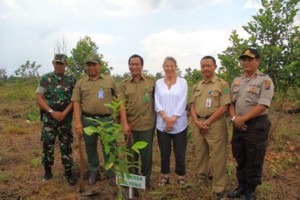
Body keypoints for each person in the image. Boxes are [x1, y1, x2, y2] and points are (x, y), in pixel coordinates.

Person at [227, 48, 274, 200]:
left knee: (254, 158)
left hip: (256, 125)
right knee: (239, 155)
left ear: (257, 61)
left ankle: (250, 190)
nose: (246, 62)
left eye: (250, 59)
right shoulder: (237, 80)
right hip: (238, 124)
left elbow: (263, 105)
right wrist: (235, 119)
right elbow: (231, 103)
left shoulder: (264, 80)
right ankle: (241, 186)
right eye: (244, 60)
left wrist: (243, 119)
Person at [71, 53, 119, 185]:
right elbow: (76, 102)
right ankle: (94, 171)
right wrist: (78, 123)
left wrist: (118, 117)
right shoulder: (80, 83)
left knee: (109, 147)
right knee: (90, 147)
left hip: (107, 120)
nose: (91, 67)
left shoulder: (109, 80)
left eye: (94, 64)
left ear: (100, 65)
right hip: (88, 120)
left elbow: (119, 98)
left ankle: (111, 173)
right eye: (88, 65)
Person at [190, 55, 230, 199]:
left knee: (218, 156)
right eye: (203, 66)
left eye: (208, 65)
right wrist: (197, 122)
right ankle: (201, 180)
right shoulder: (197, 86)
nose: (205, 68)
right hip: (199, 123)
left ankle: (219, 186)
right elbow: (192, 106)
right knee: (200, 153)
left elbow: (225, 107)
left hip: (215, 125)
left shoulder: (222, 84)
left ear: (215, 67)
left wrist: (208, 122)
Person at [35, 53, 77, 186]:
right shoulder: (45, 79)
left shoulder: (72, 79)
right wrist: (52, 112)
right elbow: (39, 97)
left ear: (66, 64)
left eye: (62, 63)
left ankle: (68, 172)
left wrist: (64, 113)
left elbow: (74, 99)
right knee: (47, 145)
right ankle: (47, 172)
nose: (59, 66)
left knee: (66, 145)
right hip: (49, 119)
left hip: (65, 119)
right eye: (57, 63)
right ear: (53, 64)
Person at [119, 54, 156, 188]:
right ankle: (132, 180)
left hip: (147, 125)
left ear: (142, 66)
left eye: (137, 64)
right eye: (132, 64)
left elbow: (157, 101)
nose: (134, 67)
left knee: (146, 156)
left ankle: (146, 179)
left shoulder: (151, 82)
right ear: (129, 66)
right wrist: (124, 124)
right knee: (131, 155)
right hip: (131, 126)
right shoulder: (123, 84)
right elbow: (121, 105)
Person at [155, 56, 188, 186]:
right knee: (164, 152)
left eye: (171, 66)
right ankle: (165, 175)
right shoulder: (158, 83)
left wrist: (173, 119)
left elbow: (183, 101)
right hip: (162, 124)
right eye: (166, 66)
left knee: (180, 152)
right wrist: (165, 118)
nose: (169, 68)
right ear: (163, 68)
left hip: (179, 124)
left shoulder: (183, 82)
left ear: (176, 67)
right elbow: (156, 101)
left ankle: (180, 176)